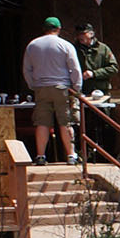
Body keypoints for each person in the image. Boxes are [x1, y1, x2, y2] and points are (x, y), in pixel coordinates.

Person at [21, 16, 82, 163]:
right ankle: (71, 155)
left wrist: (33, 85)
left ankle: (41, 155)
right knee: (65, 122)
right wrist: (77, 88)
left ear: (44, 29)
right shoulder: (65, 45)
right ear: (59, 29)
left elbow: (27, 69)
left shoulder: (32, 45)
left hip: (41, 88)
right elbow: (75, 68)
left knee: (42, 122)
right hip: (62, 88)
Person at [74, 22, 117, 99]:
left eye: (83, 34)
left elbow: (113, 68)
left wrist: (94, 73)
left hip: (101, 91)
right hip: (82, 92)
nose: (80, 36)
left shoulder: (103, 49)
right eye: (78, 34)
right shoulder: (73, 49)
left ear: (91, 34)